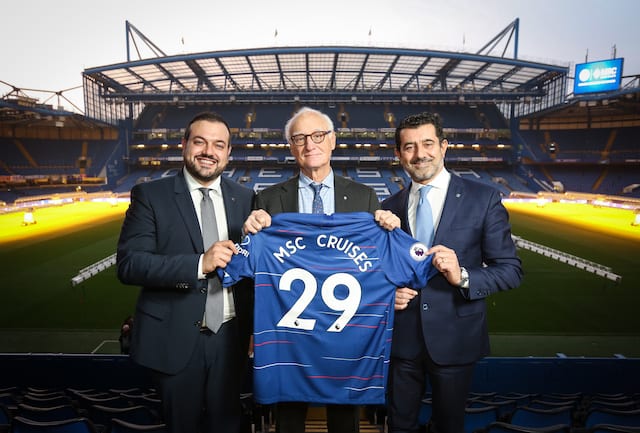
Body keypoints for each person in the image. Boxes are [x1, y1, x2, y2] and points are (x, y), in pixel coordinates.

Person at [242, 107, 400, 433]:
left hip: (345, 332)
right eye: (299, 138)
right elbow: (257, 267)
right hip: (290, 334)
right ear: (291, 146)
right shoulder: (267, 200)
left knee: (344, 421)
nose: (309, 144)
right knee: (288, 419)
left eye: (318, 135)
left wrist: (391, 232)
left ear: (333, 141)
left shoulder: (364, 197)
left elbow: (378, 262)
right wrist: (249, 233)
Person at [382, 111, 523, 433]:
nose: (420, 154)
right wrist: (389, 293)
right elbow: (381, 271)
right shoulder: (389, 207)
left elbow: (510, 270)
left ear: (444, 146)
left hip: (456, 339)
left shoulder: (483, 198)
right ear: (399, 153)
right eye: (409, 147)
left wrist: (463, 276)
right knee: (398, 425)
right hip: (400, 340)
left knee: (449, 426)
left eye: (428, 143)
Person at [116, 111, 255, 433]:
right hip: (174, 338)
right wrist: (198, 264)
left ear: (228, 152)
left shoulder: (246, 198)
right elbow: (130, 264)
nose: (209, 151)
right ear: (184, 145)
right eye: (200, 142)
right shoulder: (151, 195)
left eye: (218, 145)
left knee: (228, 425)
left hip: (231, 338)